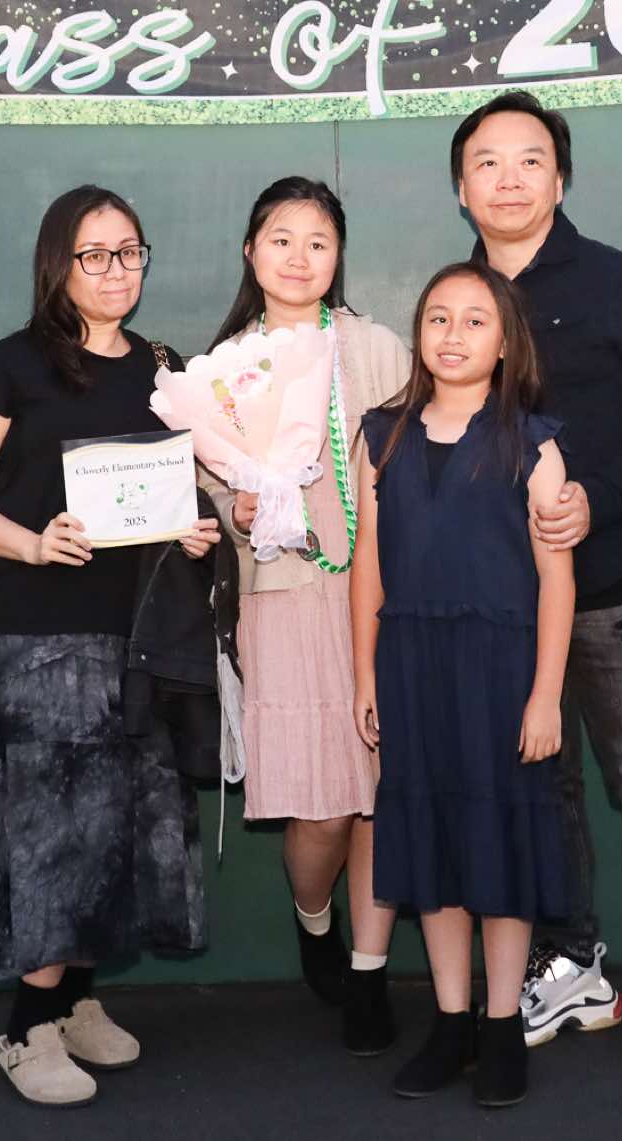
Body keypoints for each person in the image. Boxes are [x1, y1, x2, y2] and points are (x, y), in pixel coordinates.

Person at [0, 184, 223, 1109]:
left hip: (138, 634)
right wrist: (31, 543)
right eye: (94, 254)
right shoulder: (12, 365)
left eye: (130, 251)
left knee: (123, 821)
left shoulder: (163, 367)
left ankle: (75, 1000)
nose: (115, 270)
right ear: (58, 263)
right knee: (52, 831)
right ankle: (26, 1025)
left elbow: (172, 495)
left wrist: (192, 529)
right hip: (39, 634)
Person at [448, 91, 622, 1069]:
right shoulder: (456, 302)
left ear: (559, 179)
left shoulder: (619, 281)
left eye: (529, 159)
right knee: (542, 787)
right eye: (486, 162)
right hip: (501, 602)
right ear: (461, 188)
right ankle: (572, 963)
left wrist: (597, 501)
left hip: (610, 586)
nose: (508, 179)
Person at [350, 261, 573, 1108]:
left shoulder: (533, 441)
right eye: (438, 317)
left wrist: (545, 694)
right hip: (412, 668)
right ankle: (451, 1022)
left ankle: (502, 1023)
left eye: (476, 320)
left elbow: (557, 580)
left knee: (502, 846)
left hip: (503, 672)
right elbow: (366, 568)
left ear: (507, 341)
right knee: (435, 843)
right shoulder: (383, 434)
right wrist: (365, 673)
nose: (453, 334)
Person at [200, 176, 410, 1054]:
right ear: (251, 251)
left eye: (318, 241)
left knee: (382, 794)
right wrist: (236, 509)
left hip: (385, 593)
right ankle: (314, 914)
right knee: (323, 806)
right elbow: (207, 489)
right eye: (281, 238)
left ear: (338, 256)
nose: (299, 256)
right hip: (283, 595)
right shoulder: (223, 366)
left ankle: (369, 972)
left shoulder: (378, 348)